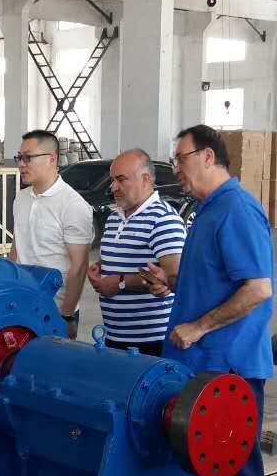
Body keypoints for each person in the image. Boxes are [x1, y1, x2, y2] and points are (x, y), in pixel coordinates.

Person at [144, 124, 274, 476]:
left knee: (233, 462)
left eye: (180, 159)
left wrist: (199, 326)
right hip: (200, 364)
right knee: (201, 460)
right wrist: (173, 283)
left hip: (228, 366)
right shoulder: (207, 211)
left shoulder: (237, 209)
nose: (175, 168)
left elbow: (257, 288)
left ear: (208, 157)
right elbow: (216, 279)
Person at [85, 149, 186, 358]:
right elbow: (126, 254)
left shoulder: (164, 220)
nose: (113, 187)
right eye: (112, 180)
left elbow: (175, 279)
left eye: (121, 179)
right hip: (115, 336)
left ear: (145, 179)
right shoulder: (114, 217)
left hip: (152, 342)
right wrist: (101, 266)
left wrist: (121, 283)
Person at [9, 129, 94, 339]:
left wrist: (67, 315)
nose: (21, 164)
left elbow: (79, 266)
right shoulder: (21, 198)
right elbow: (16, 248)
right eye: (19, 158)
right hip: (23, 302)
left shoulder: (72, 205)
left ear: (51, 159)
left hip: (55, 309)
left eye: (28, 158)